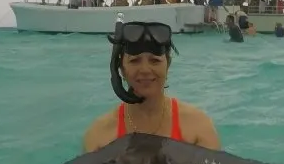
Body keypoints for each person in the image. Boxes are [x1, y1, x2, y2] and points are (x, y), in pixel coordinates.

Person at [82, 18, 221, 152]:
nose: (145, 70)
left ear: (168, 65)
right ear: (122, 69)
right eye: (134, 61)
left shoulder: (198, 129)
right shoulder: (99, 136)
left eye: (155, 61)